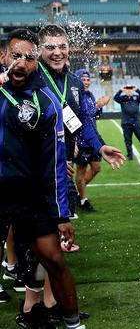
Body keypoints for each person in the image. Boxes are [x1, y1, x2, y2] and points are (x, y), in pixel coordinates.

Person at [0, 28, 86, 329]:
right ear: (3, 57)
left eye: (29, 57)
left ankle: (72, 321)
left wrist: (61, 213)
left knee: (51, 257)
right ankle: (32, 305)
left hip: (29, 191)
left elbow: (52, 161)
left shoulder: (46, 100)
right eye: (15, 56)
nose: (21, 63)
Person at [73, 69, 110, 214]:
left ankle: (76, 192)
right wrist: (97, 106)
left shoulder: (89, 95)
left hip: (92, 138)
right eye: (83, 79)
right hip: (81, 139)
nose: (86, 82)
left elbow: (93, 116)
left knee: (96, 168)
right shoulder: (75, 97)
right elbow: (77, 118)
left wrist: (99, 106)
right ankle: (83, 200)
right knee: (81, 170)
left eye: (88, 79)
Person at [113, 84, 140, 160]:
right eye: (127, 89)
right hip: (126, 123)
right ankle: (130, 155)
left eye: (130, 88)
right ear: (125, 90)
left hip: (136, 122)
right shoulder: (122, 98)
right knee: (128, 140)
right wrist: (121, 90)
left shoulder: (136, 98)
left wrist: (137, 89)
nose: (129, 90)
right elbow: (115, 98)